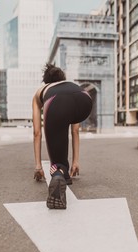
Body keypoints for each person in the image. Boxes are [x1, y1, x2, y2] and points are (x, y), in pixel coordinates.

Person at [32, 64, 92, 209]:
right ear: (62, 78)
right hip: (84, 99)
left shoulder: (40, 92)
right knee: (65, 122)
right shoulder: (70, 85)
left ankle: (58, 171)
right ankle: (64, 173)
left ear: (46, 81)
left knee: (57, 162)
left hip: (56, 102)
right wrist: (76, 161)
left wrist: (38, 166)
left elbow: (37, 133)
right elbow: (75, 131)